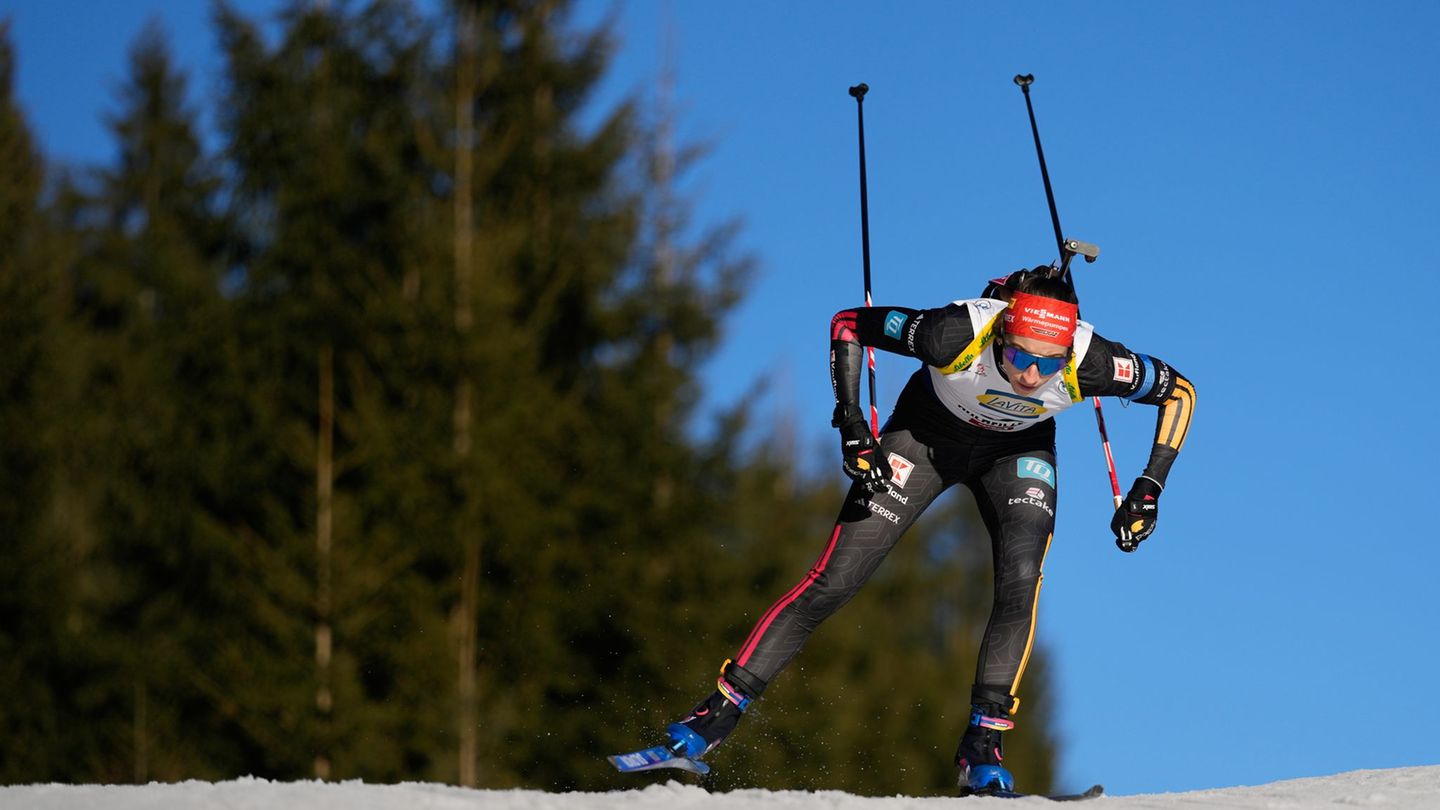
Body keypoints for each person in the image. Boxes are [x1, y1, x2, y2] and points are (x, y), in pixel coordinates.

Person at [661, 267, 1195, 794]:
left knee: (1021, 581)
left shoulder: (1094, 361)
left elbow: (1180, 392)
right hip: (925, 438)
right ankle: (716, 713)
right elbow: (848, 323)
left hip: (1016, 452)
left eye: (1047, 363)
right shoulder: (953, 333)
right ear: (1003, 332)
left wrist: (1149, 486)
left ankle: (983, 746)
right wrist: (852, 423)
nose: (1031, 375)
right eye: (1017, 356)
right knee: (836, 579)